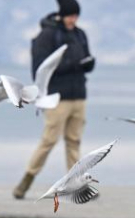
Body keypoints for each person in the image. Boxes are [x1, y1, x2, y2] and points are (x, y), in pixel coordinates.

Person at [13, 0, 95, 199]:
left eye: (76, 16)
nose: (73, 20)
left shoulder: (79, 34)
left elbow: (85, 58)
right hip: (56, 98)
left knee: (74, 142)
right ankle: (26, 180)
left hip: (78, 95)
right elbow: (39, 69)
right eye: (70, 16)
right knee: (49, 140)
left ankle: (78, 185)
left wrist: (87, 65)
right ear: (62, 15)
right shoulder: (47, 35)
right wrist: (73, 65)